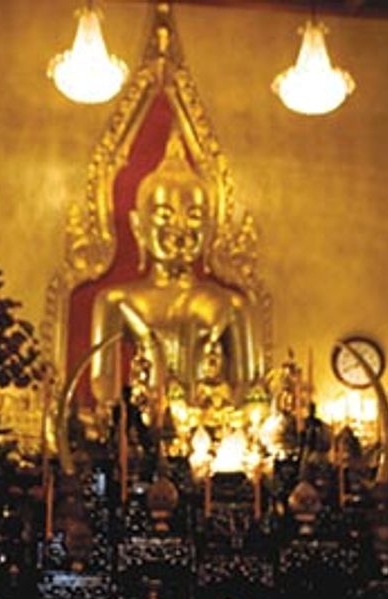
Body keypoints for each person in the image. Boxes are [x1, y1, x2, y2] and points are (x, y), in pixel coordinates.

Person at [89, 133, 262, 411]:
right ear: (137, 225)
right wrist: (124, 413)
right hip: (143, 425)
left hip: (213, 427)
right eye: (164, 214)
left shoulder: (232, 305)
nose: (180, 228)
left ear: (210, 228)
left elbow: (251, 382)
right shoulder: (115, 301)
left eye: (194, 216)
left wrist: (221, 415)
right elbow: (102, 377)